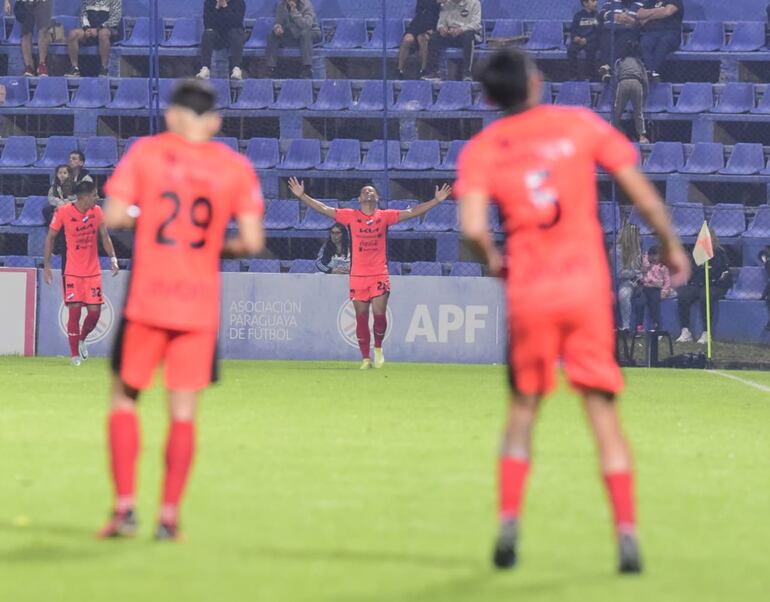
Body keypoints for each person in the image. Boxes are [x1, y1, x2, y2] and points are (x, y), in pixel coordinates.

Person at [455, 48, 690, 573]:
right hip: (584, 292)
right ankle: (626, 533)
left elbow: (471, 228)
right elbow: (642, 197)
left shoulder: (482, 149)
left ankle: (509, 524)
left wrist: (494, 260)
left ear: (491, 97)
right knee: (602, 415)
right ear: (536, 84)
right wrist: (671, 245)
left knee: (522, 413)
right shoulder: (580, 125)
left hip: (530, 294)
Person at [99, 79, 265, 541]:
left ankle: (125, 508)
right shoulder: (234, 167)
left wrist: (141, 216)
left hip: (147, 298)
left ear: (171, 115)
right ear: (215, 122)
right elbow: (252, 241)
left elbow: (112, 216)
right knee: (184, 411)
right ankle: (169, 518)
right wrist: (213, 248)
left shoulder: (147, 154)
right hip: (198, 305)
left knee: (124, 399)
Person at [289, 178, 451, 369]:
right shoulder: (350, 216)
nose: (368, 193)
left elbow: (412, 212)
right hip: (357, 276)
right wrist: (302, 196)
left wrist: (437, 201)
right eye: (365, 191)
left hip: (378, 274)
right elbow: (325, 209)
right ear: (359, 198)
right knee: (361, 316)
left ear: (377, 198)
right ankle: (365, 359)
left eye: (371, 191)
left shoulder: (385, 216)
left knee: (379, 313)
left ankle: (378, 349)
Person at [43, 179, 119, 366]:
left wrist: (113, 258)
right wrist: (46, 265)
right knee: (74, 314)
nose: (97, 198)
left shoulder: (97, 212)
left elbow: (104, 236)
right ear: (84, 197)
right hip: (73, 273)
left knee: (94, 314)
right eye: (94, 195)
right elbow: (51, 237)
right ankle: (74, 355)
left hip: (93, 273)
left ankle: (82, 339)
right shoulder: (63, 212)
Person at [675, 228, 731, 344]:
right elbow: (693, 271)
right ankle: (685, 331)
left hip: (715, 285)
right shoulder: (697, 253)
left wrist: (708, 271)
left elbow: (720, 272)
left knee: (705, 296)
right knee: (683, 296)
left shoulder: (719, 253)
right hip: (699, 283)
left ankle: (706, 332)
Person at [421, 0, 482, 82]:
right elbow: (441, 22)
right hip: (450, 33)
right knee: (434, 37)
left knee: (468, 36)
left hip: (466, 33)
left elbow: (476, 24)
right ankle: (433, 72)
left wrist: (461, 29)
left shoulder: (474, 3)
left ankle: (467, 73)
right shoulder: (446, 4)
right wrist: (442, 28)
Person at [264, 0, 321, 79]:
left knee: (305, 34)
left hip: (311, 32)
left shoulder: (306, 4)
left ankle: (307, 68)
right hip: (292, 34)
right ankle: (270, 68)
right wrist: (277, 28)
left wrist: (294, 12)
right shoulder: (282, 5)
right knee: (272, 36)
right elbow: (278, 21)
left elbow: (306, 25)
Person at [65, 0, 122, 77]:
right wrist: (86, 28)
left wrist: (98, 29)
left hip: (108, 29)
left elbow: (115, 19)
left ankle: (104, 69)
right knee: (73, 34)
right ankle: (74, 68)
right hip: (91, 29)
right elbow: (83, 15)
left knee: (103, 34)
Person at [197, 0, 246, 81]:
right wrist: (216, 8)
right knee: (208, 33)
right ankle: (205, 68)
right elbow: (207, 23)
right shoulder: (209, 2)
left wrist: (224, 7)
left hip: (233, 35)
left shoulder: (239, 2)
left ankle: (237, 68)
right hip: (218, 35)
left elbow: (236, 22)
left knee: (236, 33)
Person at [598, 0, 643, 83]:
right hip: (609, 29)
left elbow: (643, 21)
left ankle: (607, 68)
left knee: (623, 41)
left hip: (627, 31)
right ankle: (608, 69)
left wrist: (631, 21)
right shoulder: (611, 1)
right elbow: (601, 14)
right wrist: (613, 16)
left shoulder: (640, 3)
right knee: (606, 39)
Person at [637, 0, 683, 82]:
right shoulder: (649, 2)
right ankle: (652, 73)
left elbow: (667, 12)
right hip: (651, 32)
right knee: (645, 42)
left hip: (671, 33)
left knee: (664, 42)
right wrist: (659, 10)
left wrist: (648, 17)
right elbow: (639, 14)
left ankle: (652, 71)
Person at [614, 39, 649, 143]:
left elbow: (616, 76)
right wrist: (645, 94)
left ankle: (611, 132)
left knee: (617, 111)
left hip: (623, 82)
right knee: (638, 112)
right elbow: (645, 79)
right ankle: (642, 136)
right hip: (636, 82)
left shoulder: (620, 61)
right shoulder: (639, 62)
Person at [3, 0, 51, 76]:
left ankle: (42, 65)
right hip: (24, 2)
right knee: (25, 32)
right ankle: (29, 66)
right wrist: (7, 1)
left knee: (44, 30)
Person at [632, 245, 673, 331]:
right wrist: (647, 261)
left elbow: (667, 281)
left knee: (654, 305)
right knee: (640, 303)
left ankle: (657, 326)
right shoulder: (646, 267)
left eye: (656, 255)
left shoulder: (663, 267)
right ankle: (639, 326)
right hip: (645, 288)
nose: (653, 258)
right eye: (651, 255)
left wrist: (664, 291)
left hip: (656, 289)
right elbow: (643, 273)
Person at [397, 0, 440, 79]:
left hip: (433, 24)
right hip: (418, 23)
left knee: (422, 39)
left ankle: (423, 70)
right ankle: (399, 70)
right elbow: (420, 8)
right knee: (407, 39)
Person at [613, 223, 643, 331]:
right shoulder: (617, 250)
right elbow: (619, 273)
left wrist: (637, 275)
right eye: (637, 235)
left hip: (629, 282)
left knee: (624, 294)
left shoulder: (637, 250)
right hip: (616, 281)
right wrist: (634, 272)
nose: (639, 237)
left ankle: (626, 326)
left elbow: (640, 270)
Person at [567, 0, 602, 81]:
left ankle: (589, 76)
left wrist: (587, 39)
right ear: (585, 3)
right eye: (593, 1)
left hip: (592, 41)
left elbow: (598, 33)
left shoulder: (597, 16)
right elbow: (573, 31)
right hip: (579, 41)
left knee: (591, 51)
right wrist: (575, 37)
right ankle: (573, 75)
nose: (596, 3)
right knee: (571, 50)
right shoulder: (578, 16)